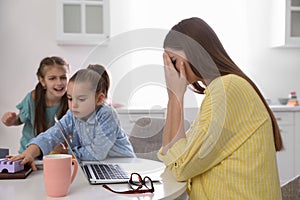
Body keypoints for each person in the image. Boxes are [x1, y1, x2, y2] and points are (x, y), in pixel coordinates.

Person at [158, 17, 283, 199]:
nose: (172, 70)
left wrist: (177, 97)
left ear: (191, 52)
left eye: (173, 61)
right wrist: (172, 98)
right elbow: (172, 157)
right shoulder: (218, 91)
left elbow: (181, 166)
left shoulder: (227, 88)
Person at [10, 67, 135, 170]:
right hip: (97, 165)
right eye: (70, 98)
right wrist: (30, 152)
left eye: (81, 99)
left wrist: (67, 153)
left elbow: (97, 153)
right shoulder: (73, 114)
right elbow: (51, 135)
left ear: (99, 99)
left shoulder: (107, 114)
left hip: (124, 165)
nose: (73, 104)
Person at [1, 56, 69, 154]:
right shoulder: (32, 99)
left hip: (57, 156)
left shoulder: (71, 100)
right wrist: (12, 120)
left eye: (63, 77)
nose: (59, 83)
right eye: (52, 78)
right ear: (42, 80)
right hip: (29, 155)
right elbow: (20, 119)